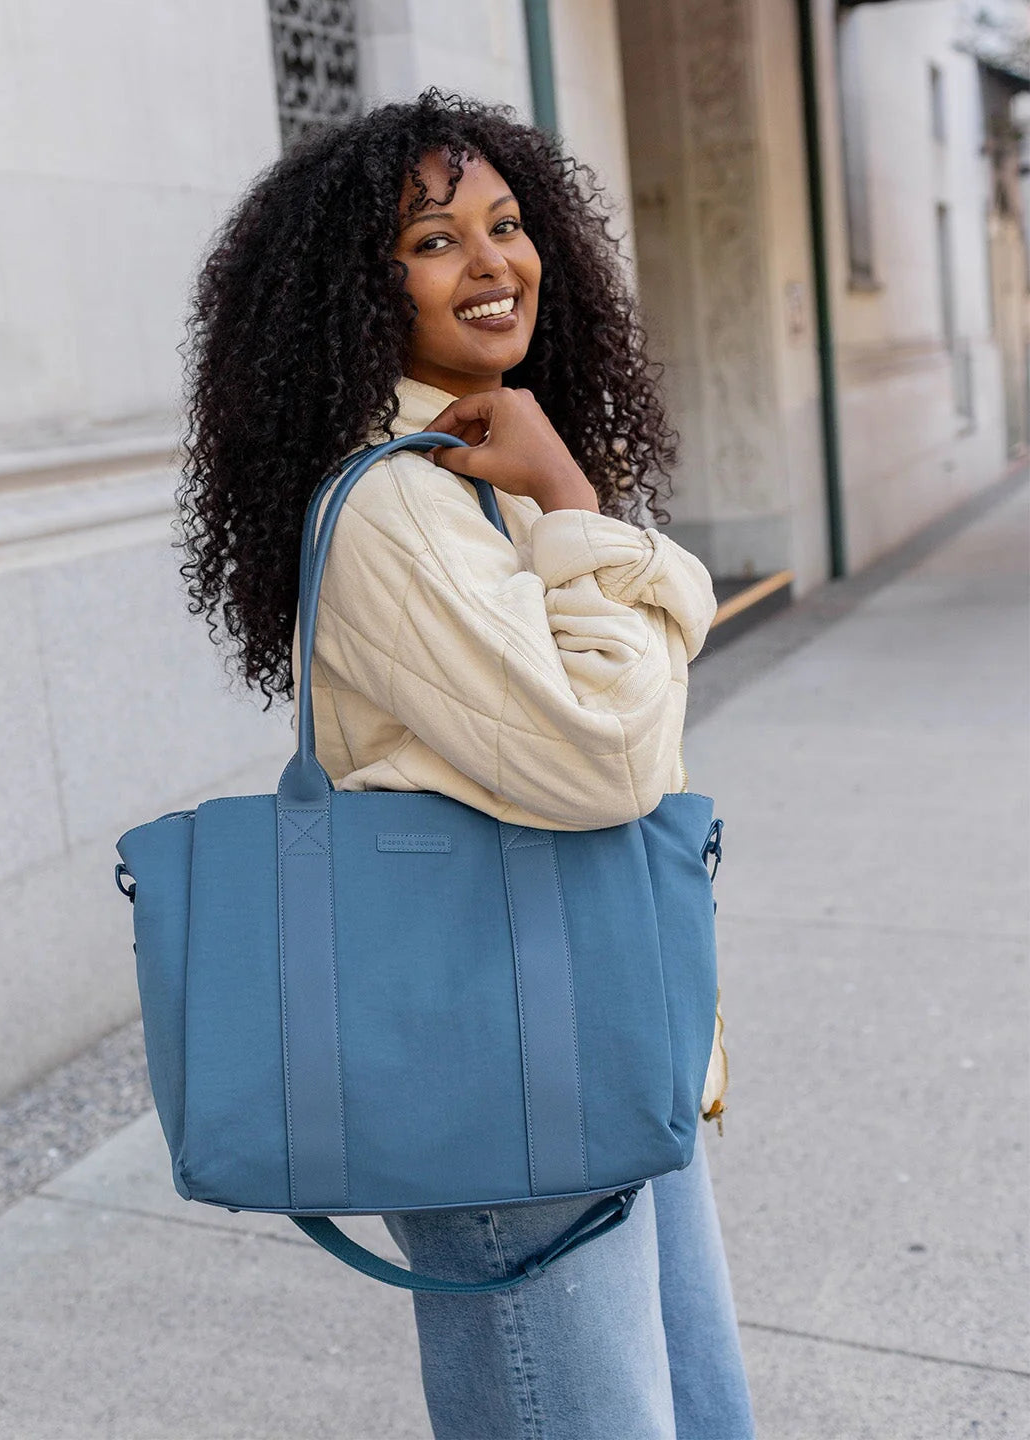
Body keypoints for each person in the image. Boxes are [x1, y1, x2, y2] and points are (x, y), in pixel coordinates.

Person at [176, 86, 755, 1439]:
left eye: (507, 225)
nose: (494, 263)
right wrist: (576, 508)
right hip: (505, 1048)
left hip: (590, 1017)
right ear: (358, 290)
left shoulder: (470, 468)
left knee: (682, 1397)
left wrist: (554, 501)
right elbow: (610, 752)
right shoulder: (394, 503)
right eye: (436, 240)